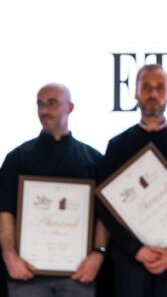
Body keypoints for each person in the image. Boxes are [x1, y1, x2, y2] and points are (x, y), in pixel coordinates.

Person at [97, 64, 167, 297]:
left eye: (159, 88)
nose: (153, 93)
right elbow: (106, 207)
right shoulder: (118, 145)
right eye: (146, 87)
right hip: (130, 258)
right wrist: (136, 249)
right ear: (136, 92)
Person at [0, 84, 108, 296]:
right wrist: (9, 255)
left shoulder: (93, 160)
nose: (44, 111)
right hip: (26, 274)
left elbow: (103, 215)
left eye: (52, 104)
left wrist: (98, 254)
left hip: (79, 274)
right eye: (40, 104)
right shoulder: (17, 158)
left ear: (70, 108)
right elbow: (4, 211)